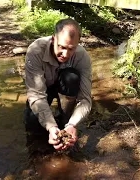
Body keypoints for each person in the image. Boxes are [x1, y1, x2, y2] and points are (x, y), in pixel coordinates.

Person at [24, 18, 92, 152]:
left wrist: (72, 124)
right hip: (43, 88)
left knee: (71, 77)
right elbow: (36, 96)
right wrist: (51, 126)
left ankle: (64, 120)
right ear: (54, 39)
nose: (65, 54)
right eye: (61, 47)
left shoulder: (82, 57)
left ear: (78, 44)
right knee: (32, 123)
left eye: (71, 49)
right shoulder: (35, 51)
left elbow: (85, 99)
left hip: (66, 87)